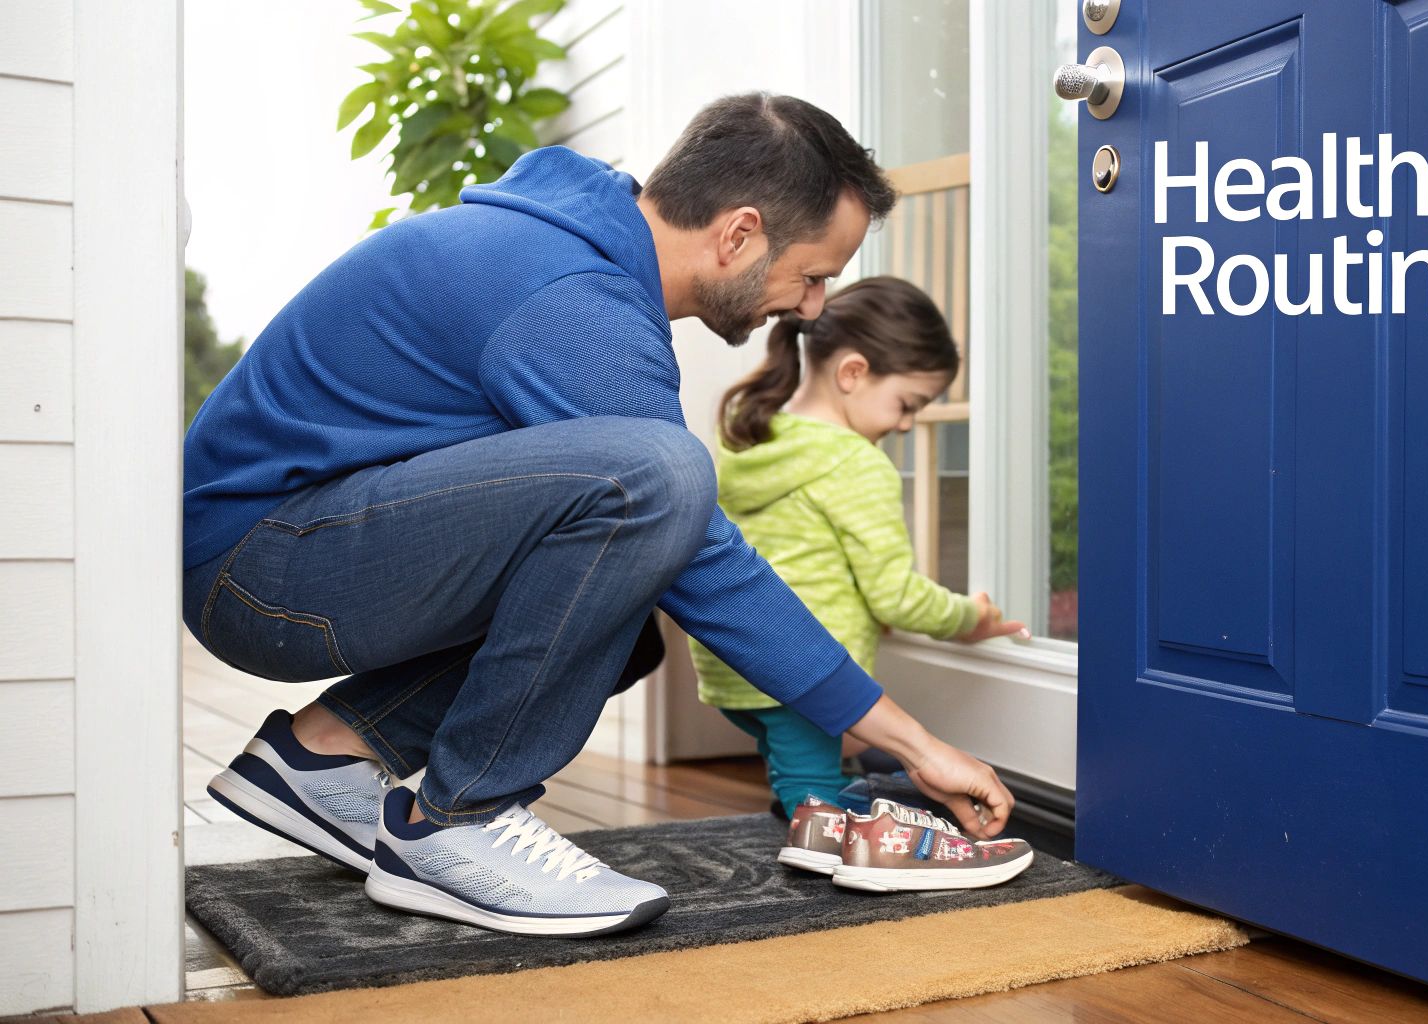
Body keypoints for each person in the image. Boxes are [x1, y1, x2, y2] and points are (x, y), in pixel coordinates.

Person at [180, 93, 1014, 939]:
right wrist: (914, 743)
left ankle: (323, 756)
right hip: (260, 570)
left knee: (620, 620)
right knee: (658, 476)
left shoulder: (571, 249)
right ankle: (458, 822)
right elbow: (702, 553)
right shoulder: (569, 296)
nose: (810, 308)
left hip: (285, 549)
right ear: (738, 235)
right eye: (812, 274)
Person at [690, 277, 1027, 821]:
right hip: (805, 671)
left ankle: (808, 796)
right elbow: (895, 595)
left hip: (729, 667)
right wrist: (969, 618)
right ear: (852, 373)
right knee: (817, 804)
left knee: (806, 760)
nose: (907, 423)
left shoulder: (752, 437)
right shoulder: (856, 462)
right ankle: (824, 843)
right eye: (907, 404)